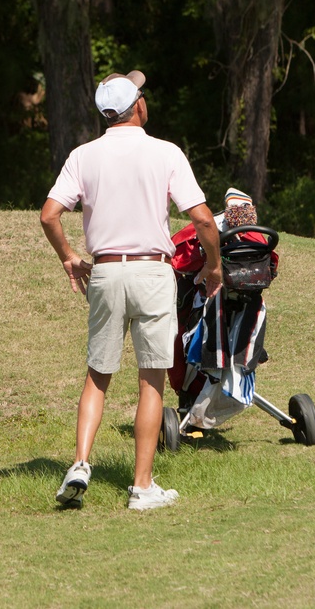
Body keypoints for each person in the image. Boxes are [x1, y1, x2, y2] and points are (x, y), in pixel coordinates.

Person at [40, 70, 222, 510]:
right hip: (152, 273)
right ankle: (141, 487)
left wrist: (68, 256)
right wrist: (214, 266)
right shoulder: (165, 152)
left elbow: (49, 215)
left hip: (105, 272)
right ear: (137, 106)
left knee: (97, 376)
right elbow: (201, 219)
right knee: (151, 380)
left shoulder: (84, 155)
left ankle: (81, 463)